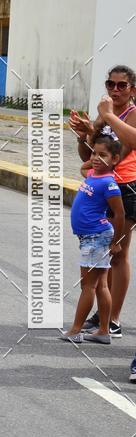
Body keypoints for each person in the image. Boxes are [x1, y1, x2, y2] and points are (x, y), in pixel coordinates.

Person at [69, 65, 136, 337]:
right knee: (103, 256)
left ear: (133, 90)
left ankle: (115, 319)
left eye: (122, 85)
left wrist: (106, 117)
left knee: (118, 252)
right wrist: (85, 133)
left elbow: (127, 146)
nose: (115, 90)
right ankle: (102, 318)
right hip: (101, 188)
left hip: (126, 187)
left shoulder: (131, 114)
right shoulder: (104, 115)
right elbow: (89, 154)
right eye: (111, 84)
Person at [61, 135, 124, 344]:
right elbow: (86, 164)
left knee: (88, 286)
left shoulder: (108, 183)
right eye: (95, 153)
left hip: (96, 237)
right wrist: (94, 152)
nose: (96, 158)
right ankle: (104, 331)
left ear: (115, 159)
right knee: (101, 285)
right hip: (89, 237)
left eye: (103, 155)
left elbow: (120, 214)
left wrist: (116, 242)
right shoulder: (93, 174)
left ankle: (76, 330)